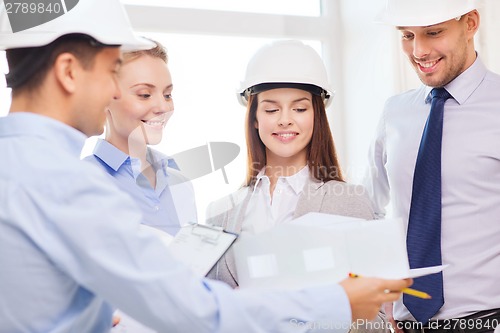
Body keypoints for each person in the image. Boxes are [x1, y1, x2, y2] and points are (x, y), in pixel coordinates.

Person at [0, 1, 412, 332]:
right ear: (69, 71)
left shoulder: (19, 164)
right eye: (112, 72)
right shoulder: (68, 182)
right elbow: (190, 307)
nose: (114, 89)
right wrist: (337, 300)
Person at [365, 0, 500, 332]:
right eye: (407, 35)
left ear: (470, 23)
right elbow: (368, 208)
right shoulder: (394, 112)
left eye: (433, 33)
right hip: (404, 323)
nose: (418, 50)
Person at [206, 40, 375, 288]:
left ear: (317, 116)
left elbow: (372, 316)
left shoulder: (349, 201)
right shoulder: (219, 213)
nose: (285, 120)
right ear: (254, 118)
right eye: (271, 110)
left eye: (299, 108)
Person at [84, 40, 196, 236]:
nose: (163, 107)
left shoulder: (181, 184)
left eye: (167, 95)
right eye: (145, 95)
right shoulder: (83, 181)